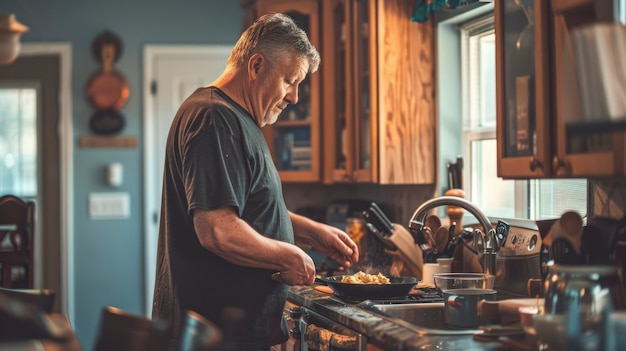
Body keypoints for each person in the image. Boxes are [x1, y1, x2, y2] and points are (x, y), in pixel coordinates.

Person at [151, 13, 360, 350]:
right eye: (290, 81)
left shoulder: (235, 118)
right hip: (215, 335)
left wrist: (309, 231)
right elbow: (218, 230)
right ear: (256, 66)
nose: (294, 97)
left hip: (231, 331)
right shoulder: (214, 119)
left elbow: (243, 207)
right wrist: (291, 257)